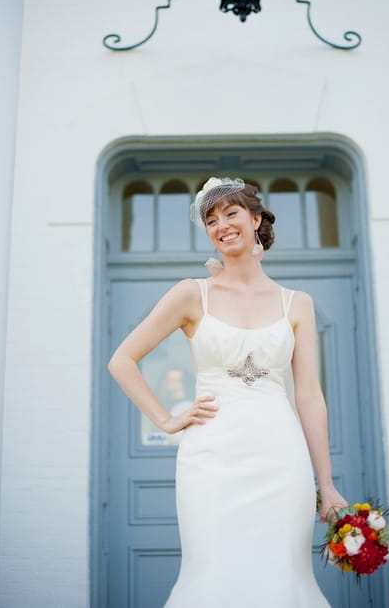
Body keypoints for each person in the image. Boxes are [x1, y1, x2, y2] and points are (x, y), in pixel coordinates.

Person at [108, 176, 348, 607]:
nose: (221, 225)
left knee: (283, 574)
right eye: (211, 219)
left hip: (280, 460)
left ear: (256, 219)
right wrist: (166, 420)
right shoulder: (190, 294)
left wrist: (326, 485)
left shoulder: (298, 304)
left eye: (231, 213)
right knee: (213, 571)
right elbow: (121, 361)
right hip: (211, 460)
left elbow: (309, 397)